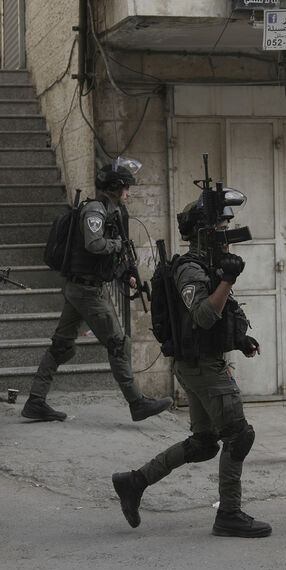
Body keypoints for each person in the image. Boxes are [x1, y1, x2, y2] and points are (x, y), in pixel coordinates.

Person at [111, 192, 272, 538]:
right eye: (222, 226)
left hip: (200, 363)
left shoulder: (208, 265)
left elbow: (212, 319)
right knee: (239, 435)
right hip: (202, 368)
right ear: (204, 232)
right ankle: (229, 513)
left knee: (204, 443)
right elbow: (201, 316)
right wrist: (228, 280)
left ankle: (135, 481)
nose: (227, 234)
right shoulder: (191, 269)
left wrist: (239, 339)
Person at [22, 156, 171, 423]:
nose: (128, 193)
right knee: (117, 344)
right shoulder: (95, 210)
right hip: (87, 292)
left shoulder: (111, 212)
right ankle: (137, 402)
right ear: (113, 188)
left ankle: (35, 400)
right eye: (125, 188)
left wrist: (125, 274)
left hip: (81, 288)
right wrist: (117, 246)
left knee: (61, 345)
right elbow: (94, 244)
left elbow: (102, 257)